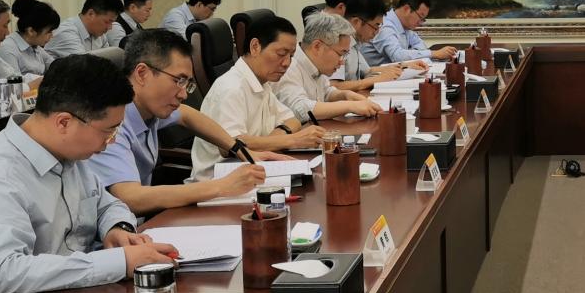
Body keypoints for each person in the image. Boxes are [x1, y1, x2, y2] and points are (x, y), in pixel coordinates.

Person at [0, 54, 177, 293]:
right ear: (64, 122)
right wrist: (119, 262)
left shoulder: (68, 152)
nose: (112, 141)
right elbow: (5, 275)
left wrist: (117, 228)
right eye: (108, 131)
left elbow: (106, 204)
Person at [90, 29, 293, 217]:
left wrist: (239, 149)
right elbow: (130, 198)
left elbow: (187, 115)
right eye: (178, 80)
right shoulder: (110, 124)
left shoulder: (149, 109)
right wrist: (221, 186)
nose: (183, 94)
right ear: (142, 73)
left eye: (187, 84)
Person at [189, 16, 326, 181]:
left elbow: (293, 120)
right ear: (255, 47)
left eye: (291, 55)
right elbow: (231, 145)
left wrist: (270, 141)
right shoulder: (231, 88)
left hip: (254, 171)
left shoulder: (261, 81)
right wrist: (291, 140)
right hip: (218, 181)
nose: (287, 63)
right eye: (281, 54)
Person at [276, 12, 383, 123]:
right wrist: (349, 106)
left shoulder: (316, 65)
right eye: (341, 53)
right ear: (317, 46)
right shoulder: (288, 67)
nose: (342, 62)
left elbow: (326, 92)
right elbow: (300, 109)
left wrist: (345, 95)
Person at [338, 0, 425, 89]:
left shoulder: (355, 42)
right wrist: (377, 79)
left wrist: (405, 66)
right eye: (376, 26)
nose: (377, 32)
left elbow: (367, 71)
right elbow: (334, 86)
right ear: (356, 22)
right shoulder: (337, 43)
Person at [362, 0, 458, 65]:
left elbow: (421, 46)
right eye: (420, 17)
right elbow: (397, 56)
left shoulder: (406, 27)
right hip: (373, 81)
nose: (420, 23)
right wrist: (434, 53)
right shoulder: (385, 25)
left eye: (423, 19)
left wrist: (409, 53)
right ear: (407, 9)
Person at [44, 0, 123, 60]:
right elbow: (85, 67)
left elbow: (109, 63)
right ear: (91, 14)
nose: (110, 27)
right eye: (107, 22)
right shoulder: (66, 32)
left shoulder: (99, 35)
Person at [0, 0, 60, 82]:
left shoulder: (35, 46)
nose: (52, 36)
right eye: (49, 32)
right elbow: (15, 85)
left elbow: (56, 66)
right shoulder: (7, 49)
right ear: (31, 31)